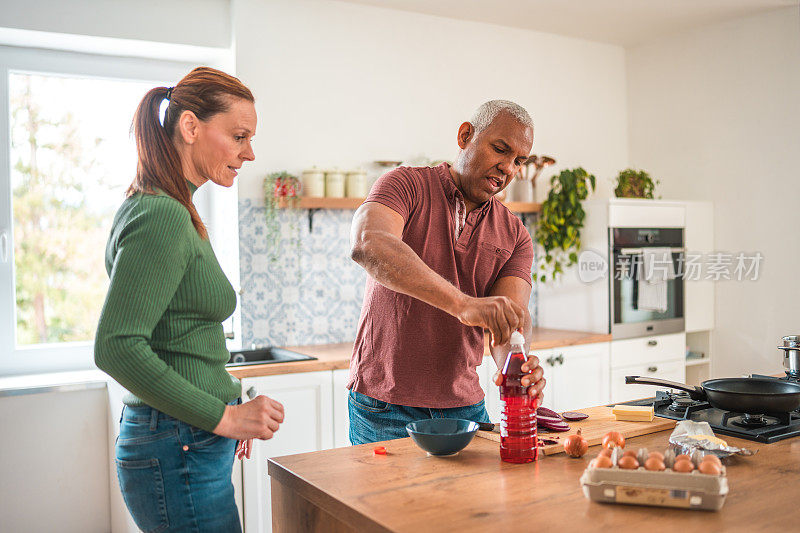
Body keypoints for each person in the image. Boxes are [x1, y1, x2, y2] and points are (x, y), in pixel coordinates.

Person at [95, 67, 284, 532]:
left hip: (182, 441)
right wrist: (225, 418)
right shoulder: (161, 214)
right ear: (191, 127)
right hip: (176, 445)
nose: (250, 152)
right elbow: (116, 346)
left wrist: (226, 408)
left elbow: (176, 340)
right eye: (239, 136)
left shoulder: (169, 207)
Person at [347, 100, 546, 444]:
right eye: (500, 149)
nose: (508, 167)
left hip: (465, 410)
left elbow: (510, 319)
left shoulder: (515, 234)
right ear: (465, 135)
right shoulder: (404, 184)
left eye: (518, 161)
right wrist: (463, 304)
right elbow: (369, 243)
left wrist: (516, 362)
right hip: (384, 406)